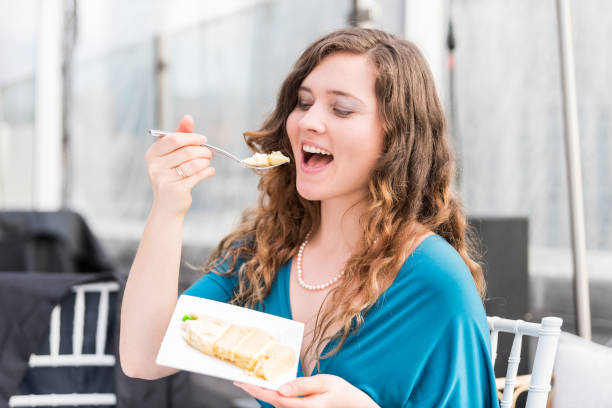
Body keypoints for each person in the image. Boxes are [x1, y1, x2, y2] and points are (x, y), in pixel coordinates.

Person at [120, 27, 499, 407]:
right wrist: (168, 208)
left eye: (342, 109)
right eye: (303, 103)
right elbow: (144, 355)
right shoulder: (264, 254)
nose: (307, 121)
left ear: (396, 139)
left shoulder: (434, 280)